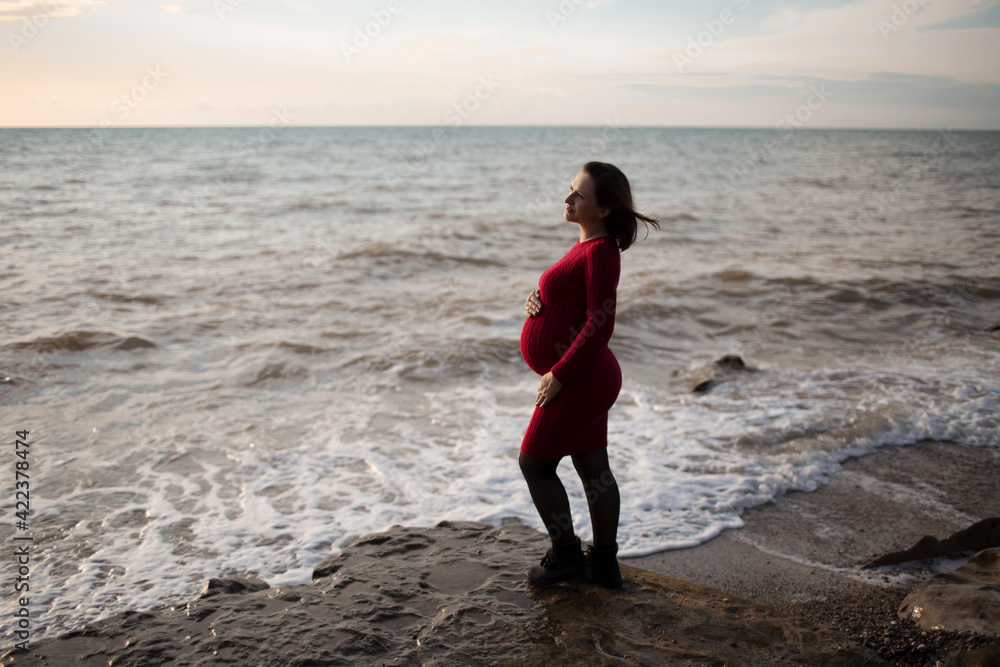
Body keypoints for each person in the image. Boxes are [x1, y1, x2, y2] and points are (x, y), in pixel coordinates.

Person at [519, 161, 659, 588]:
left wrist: (559, 372)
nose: (568, 199)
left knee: (535, 464)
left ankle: (566, 557)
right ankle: (603, 564)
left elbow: (601, 320)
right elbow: (575, 301)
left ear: (602, 210)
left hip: (582, 377)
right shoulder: (586, 246)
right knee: (593, 468)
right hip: (589, 376)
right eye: (570, 190)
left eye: (579, 195)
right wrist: (538, 297)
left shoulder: (601, 250)